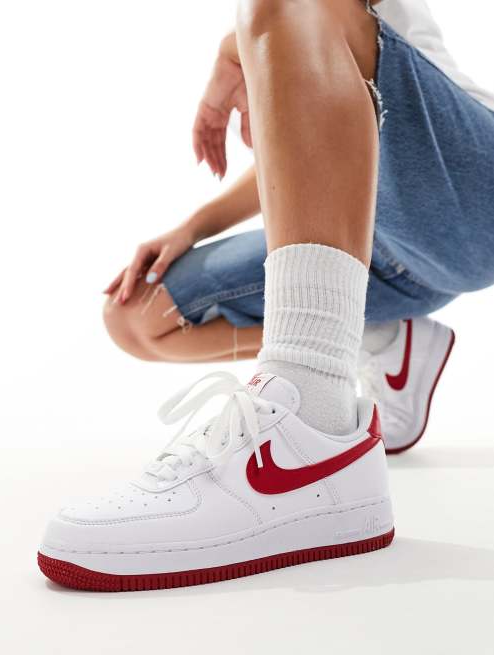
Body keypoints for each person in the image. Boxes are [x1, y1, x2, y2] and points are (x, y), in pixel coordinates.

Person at [38, 0, 494, 591]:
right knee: (138, 314)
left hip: (473, 198)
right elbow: (322, 146)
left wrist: (242, 40)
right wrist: (193, 227)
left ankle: (310, 419)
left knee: (289, 6)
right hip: (381, 250)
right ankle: (370, 345)